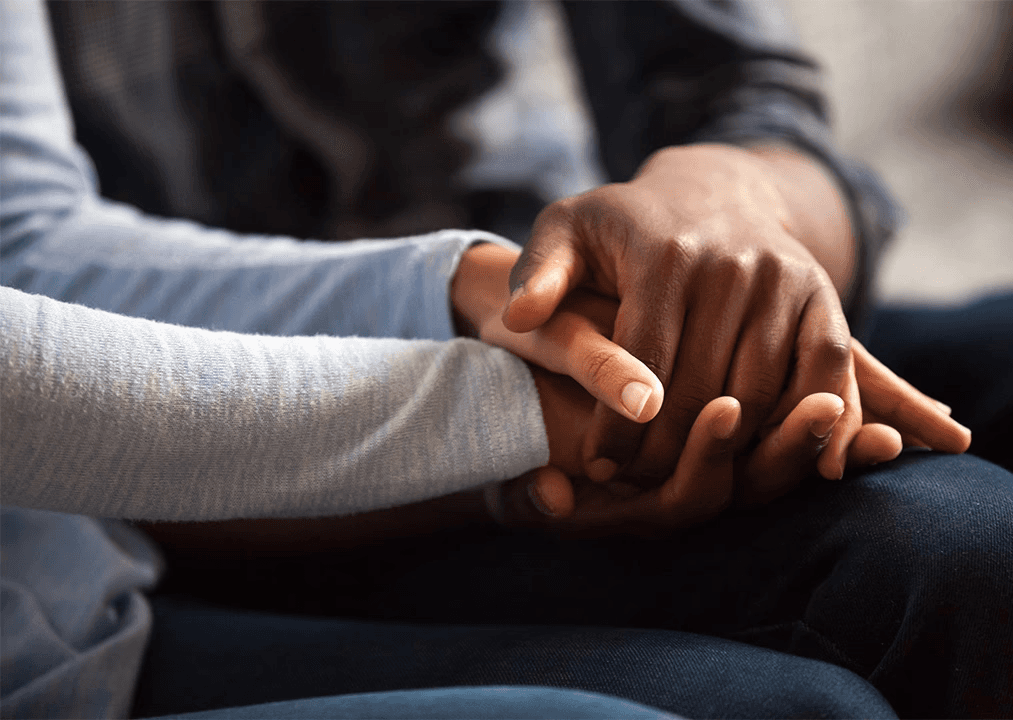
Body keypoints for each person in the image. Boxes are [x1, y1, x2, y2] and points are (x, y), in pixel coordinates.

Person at [2, 2, 1010, 719]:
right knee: (938, 558)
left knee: (980, 533)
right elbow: (32, 262)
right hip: (207, 467)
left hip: (572, 319)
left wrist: (728, 211)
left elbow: (747, 99)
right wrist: (521, 413)